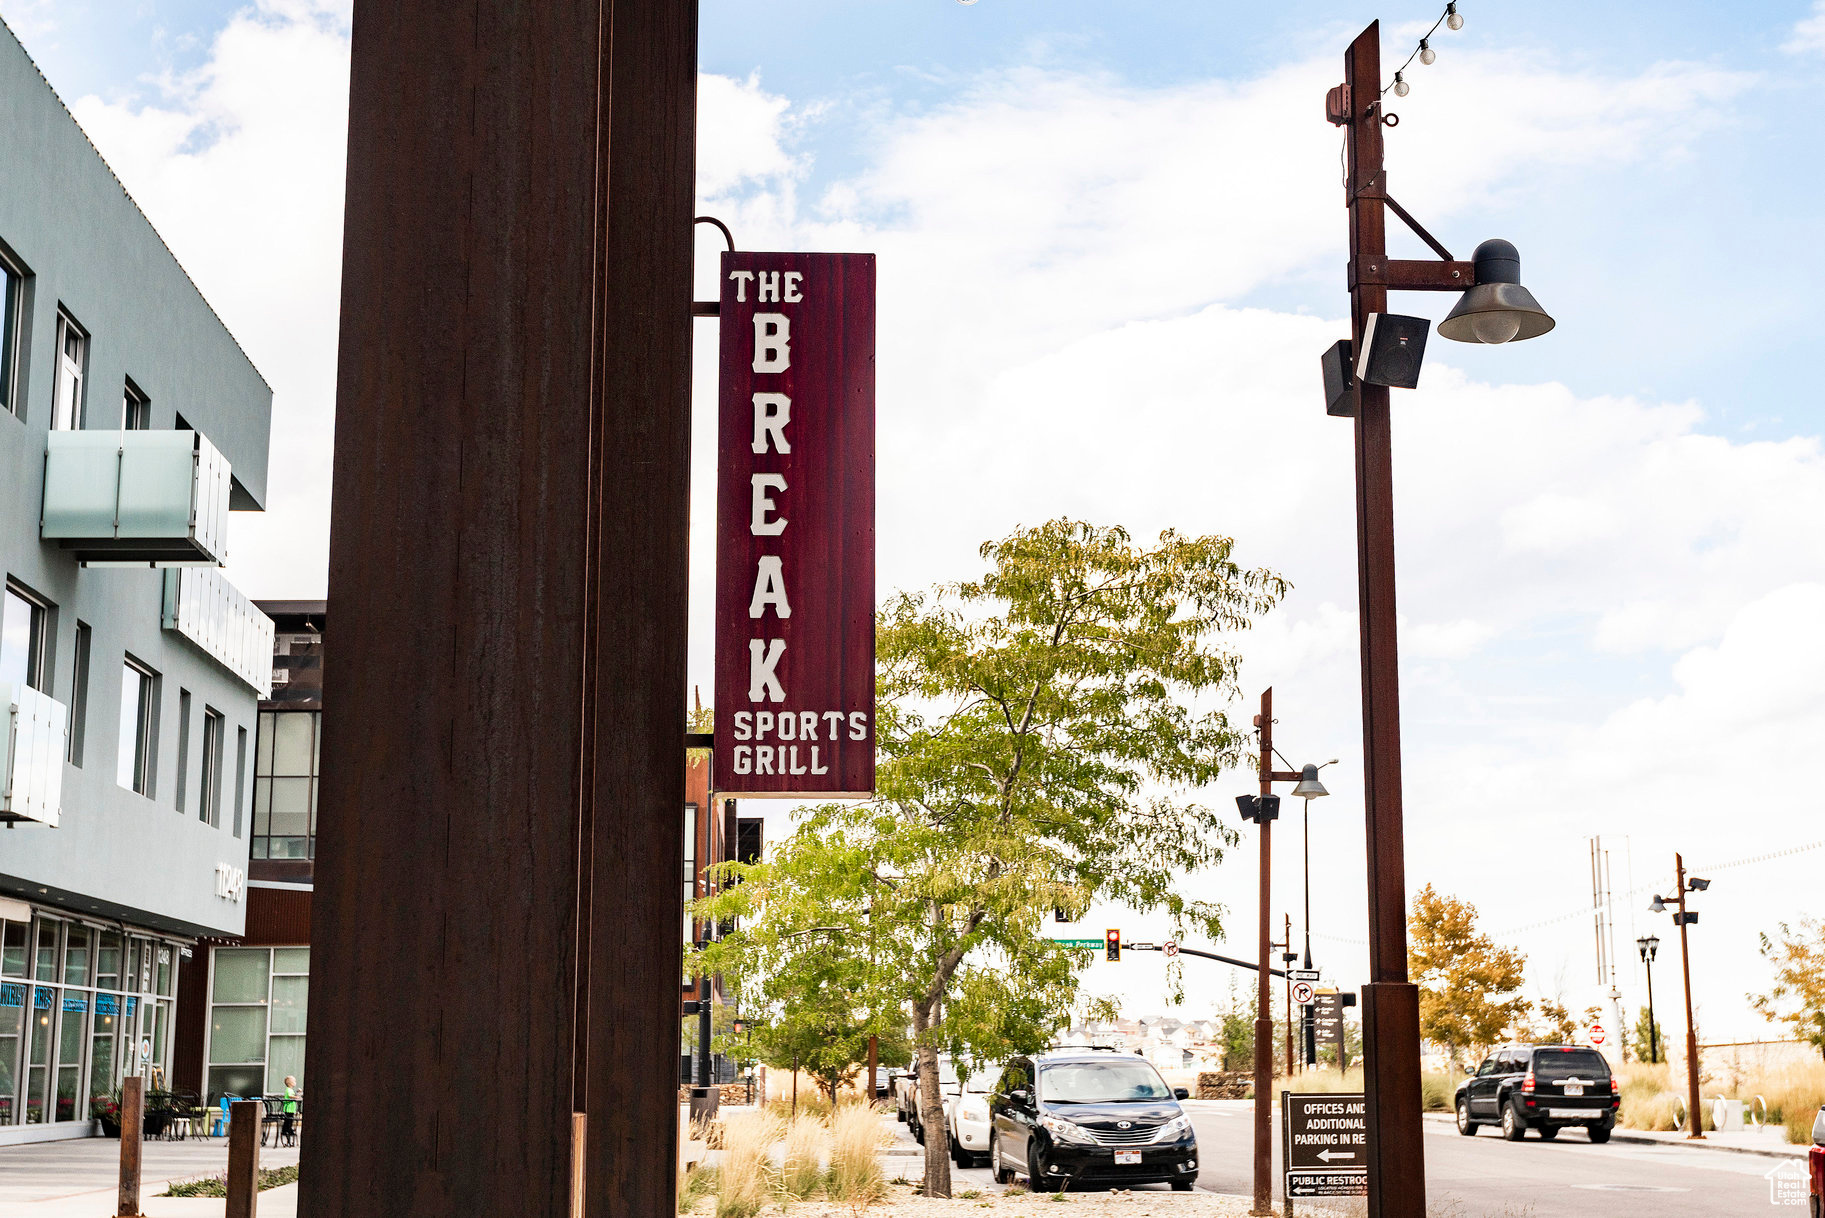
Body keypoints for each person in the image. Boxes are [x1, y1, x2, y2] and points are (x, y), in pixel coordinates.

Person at [280, 1076, 300, 1145]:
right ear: (290, 1083)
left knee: (290, 1120)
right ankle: (286, 1130)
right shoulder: (288, 1089)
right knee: (288, 1120)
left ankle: (289, 1129)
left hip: (291, 1109)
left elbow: (293, 1095)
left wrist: (297, 1094)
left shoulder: (291, 1090)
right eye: (294, 1081)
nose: (295, 1083)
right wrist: (296, 1097)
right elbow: (290, 1096)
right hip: (288, 1108)